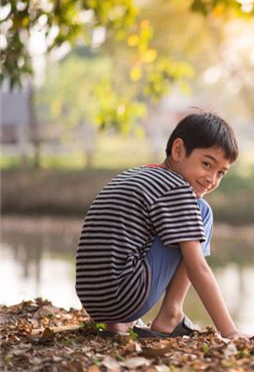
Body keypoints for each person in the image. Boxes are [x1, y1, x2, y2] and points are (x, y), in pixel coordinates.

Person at [75, 111, 243, 338]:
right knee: (201, 210)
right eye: (206, 164)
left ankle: (117, 324)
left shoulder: (138, 175)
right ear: (178, 150)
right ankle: (171, 314)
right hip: (124, 297)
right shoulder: (177, 189)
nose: (211, 179)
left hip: (93, 300)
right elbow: (198, 268)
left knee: (188, 214)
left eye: (220, 173)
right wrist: (231, 332)